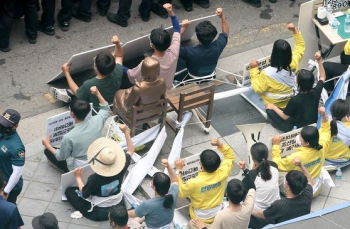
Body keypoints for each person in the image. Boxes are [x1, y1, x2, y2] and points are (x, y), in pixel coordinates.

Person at [65, 124, 134, 221]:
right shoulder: (122, 166)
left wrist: (78, 178)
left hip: (98, 213)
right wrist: (126, 132)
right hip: (118, 206)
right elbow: (131, 150)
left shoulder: (94, 179)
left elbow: (84, 194)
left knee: (69, 191)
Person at [249, 23, 305, 130]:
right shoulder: (294, 62)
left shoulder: (267, 73)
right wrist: (295, 31)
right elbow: (300, 48)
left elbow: (257, 88)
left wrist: (253, 69)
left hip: (273, 105)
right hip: (290, 102)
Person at [42, 87, 110, 173]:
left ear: (72, 113)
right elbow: (106, 109)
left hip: (79, 167)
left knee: (48, 151)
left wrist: (47, 145)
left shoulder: (68, 137)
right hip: (97, 158)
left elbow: (61, 156)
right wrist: (97, 93)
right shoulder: (97, 120)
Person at [50, 35, 123, 112]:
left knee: (79, 99)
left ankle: (69, 98)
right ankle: (67, 94)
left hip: (96, 111)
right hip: (111, 105)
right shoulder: (118, 70)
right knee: (84, 92)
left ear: (95, 67)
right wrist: (117, 43)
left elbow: (77, 92)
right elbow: (119, 56)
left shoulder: (89, 84)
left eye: (96, 58)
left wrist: (66, 73)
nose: (94, 58)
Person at [175, 138, 235, 227]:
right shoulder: (223, 173)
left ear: (201, 164)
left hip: (199, 217)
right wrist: (220, 145)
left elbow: (180, 192)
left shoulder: (193, 182)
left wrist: (179, 170)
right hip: (218, 212)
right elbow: (230, 156)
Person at [271, 107, 330, 196]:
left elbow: (277, 164)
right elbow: (326, 129)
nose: (298, 137)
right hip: (316, 187)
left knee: (278, 177)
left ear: (306, 143)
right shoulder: (322, 145)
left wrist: (276, 145)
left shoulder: (296, 158)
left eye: (300, 136)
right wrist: (323, 115)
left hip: (301, 192)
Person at [123, 3, 180, 90]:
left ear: (152, 45)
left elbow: (131, 74)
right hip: (168, 89)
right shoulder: (174, 52)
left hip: (153, 95)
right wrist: (171, 12)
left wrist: (118, 64)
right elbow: (177, 29)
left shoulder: (147, 64)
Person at [265, 52, 326, 132]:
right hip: (313, 123)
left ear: (298, 83)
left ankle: (277, 124)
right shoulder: (316, 91)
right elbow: (322, 76)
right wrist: (319, 60)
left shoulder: (295, 100)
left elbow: (284, 116)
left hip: (297, 127)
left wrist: (273, 106)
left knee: (269, 110)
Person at [249, 157, 313, 229]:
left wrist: (248, 209)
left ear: (288, 187)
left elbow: (262, 215)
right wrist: (301, 165)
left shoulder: (279, 205)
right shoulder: (308, 195)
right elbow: (310, 180)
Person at [192, 161, 256, 229]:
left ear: (227, 195)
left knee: (192, 223)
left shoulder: (221, 215)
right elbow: (253, 187)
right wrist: (245, 169)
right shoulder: (248, 208)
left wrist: (202, 227)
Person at [175, 8, 228, 84]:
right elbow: (225, 33)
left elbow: (173, 47)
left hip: (192, 78)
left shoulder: (189, 51)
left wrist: (183, 28)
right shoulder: (218, 46)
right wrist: (222, 16)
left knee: (178, 59)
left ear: (197, 37)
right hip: (211, 76)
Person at [128, 159, 178, 229]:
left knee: (130, 220)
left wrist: (119, 214)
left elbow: (132, 214)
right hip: (168, 226)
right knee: (141, 215)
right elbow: (175, 180)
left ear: (153, 187)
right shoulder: (173, 196)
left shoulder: (147, 204)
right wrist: (168, 166)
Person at [0, 109, 25, 204]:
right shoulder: (2, 132)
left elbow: (17, 172)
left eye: (6, 125)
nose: (2, 126)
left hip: (8, 186)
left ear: (16, 126)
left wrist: (6, 192)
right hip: (1, 178)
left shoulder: (16, 147)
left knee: (7, 210)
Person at [245, 142, 280, 210]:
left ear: (253, 158)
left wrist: (249, 170)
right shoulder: (274, 166)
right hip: (276, 204)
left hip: (259, 209)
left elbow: (245, 188)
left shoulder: (252, 174)